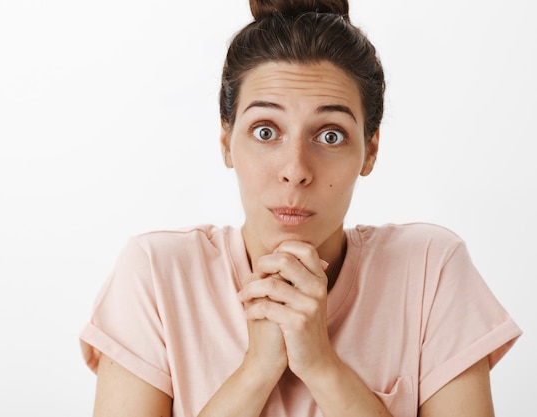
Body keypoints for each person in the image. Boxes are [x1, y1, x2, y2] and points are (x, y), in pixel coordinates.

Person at [79, 1, 522, 416]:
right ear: (226, 142)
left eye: (329, 134)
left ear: (370, 150)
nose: (295, 170)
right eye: (266, 131)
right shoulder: (156, 273)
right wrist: (256, 370)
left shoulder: (430, 268)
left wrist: (321, 365)